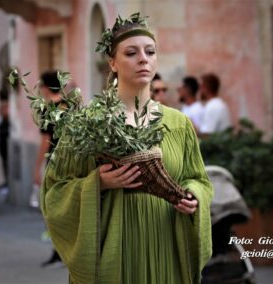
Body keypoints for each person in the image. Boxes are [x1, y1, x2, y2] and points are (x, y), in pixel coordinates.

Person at [40, 13, 213, 283]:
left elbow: (199, 179)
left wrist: (193, 195)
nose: (143, 58)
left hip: (167, 250)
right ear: (113, 63)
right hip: (114, 254)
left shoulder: (178, 124)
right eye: (131, 52)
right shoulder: (87, 124)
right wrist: (97, 183)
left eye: (150, 51)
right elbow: (54, 192)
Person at [33, 71, 64, 267]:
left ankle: (58, 251)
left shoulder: (48, 109)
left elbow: (46, 141)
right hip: (71, 162)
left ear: (46, 87)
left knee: (51, 208)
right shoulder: (72, 105)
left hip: (53, 162)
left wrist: (36, 168)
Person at [0, 91, 10, 195]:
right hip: (2, 141)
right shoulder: (2, 119)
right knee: (4, 163)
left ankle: (8, 183)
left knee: (7, 162)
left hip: (6, 141)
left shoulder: (6, 106)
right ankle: (6, 182)